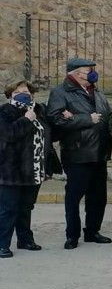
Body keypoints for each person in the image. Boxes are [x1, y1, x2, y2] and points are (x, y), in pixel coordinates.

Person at [47, 58, 112, 250]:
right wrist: (86, 119)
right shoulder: (61, 92)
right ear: (75, 74)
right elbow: (55, 118)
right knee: (74, 197)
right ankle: (72, 235)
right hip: (78, 153)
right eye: (88, 71)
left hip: (99, 153)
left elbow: (107, 115)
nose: (93, 74)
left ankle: (93, 231)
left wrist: (111, 135)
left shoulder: (97, 92)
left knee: (98, 197)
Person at [0, 81, 60, 258]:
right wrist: (26, 119)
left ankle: (25, 239)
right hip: (11, 171)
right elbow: (9, 134)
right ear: (10, 95)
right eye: (17, 91)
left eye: (25, 91)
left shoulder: (40, 110)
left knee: (26, 207)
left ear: (32, 94)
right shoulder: (5, 111)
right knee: (8, 208)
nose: (22, 94)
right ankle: (2, 244)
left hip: (34, 169)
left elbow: (50, 135)